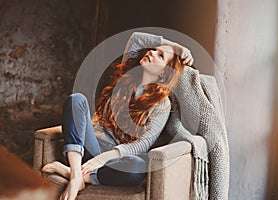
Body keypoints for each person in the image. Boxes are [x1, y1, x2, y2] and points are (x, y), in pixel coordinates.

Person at [41, 32, 194, 200]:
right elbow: (136, 38)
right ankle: (77, 174)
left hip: (113, 161)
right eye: (154, 49)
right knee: (76, 100)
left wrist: (104, 158)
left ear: (164, 73)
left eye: (160, 55)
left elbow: (143, 145)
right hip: (88, 148)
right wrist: (174, 47)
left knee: (138, 166)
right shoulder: (127, 78)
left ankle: (76, 175)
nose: (151, 52)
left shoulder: (162, 104)